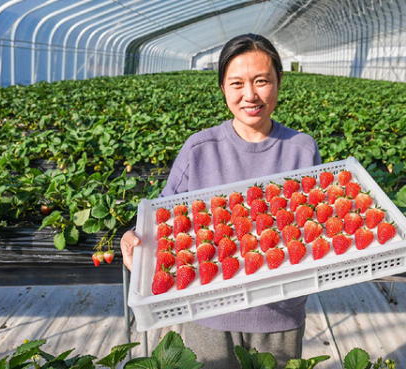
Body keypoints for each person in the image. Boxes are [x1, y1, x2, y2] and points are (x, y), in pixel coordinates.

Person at [120, 33, 321, 368]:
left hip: (279, 313)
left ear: (279, 82)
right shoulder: (200, 149)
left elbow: (314, 220)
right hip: (207, 310)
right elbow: (166, 213)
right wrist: (131, 233)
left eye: (261, 81)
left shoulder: (301, 148)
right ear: (223, 87)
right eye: (237, 83)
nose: (250, 95)